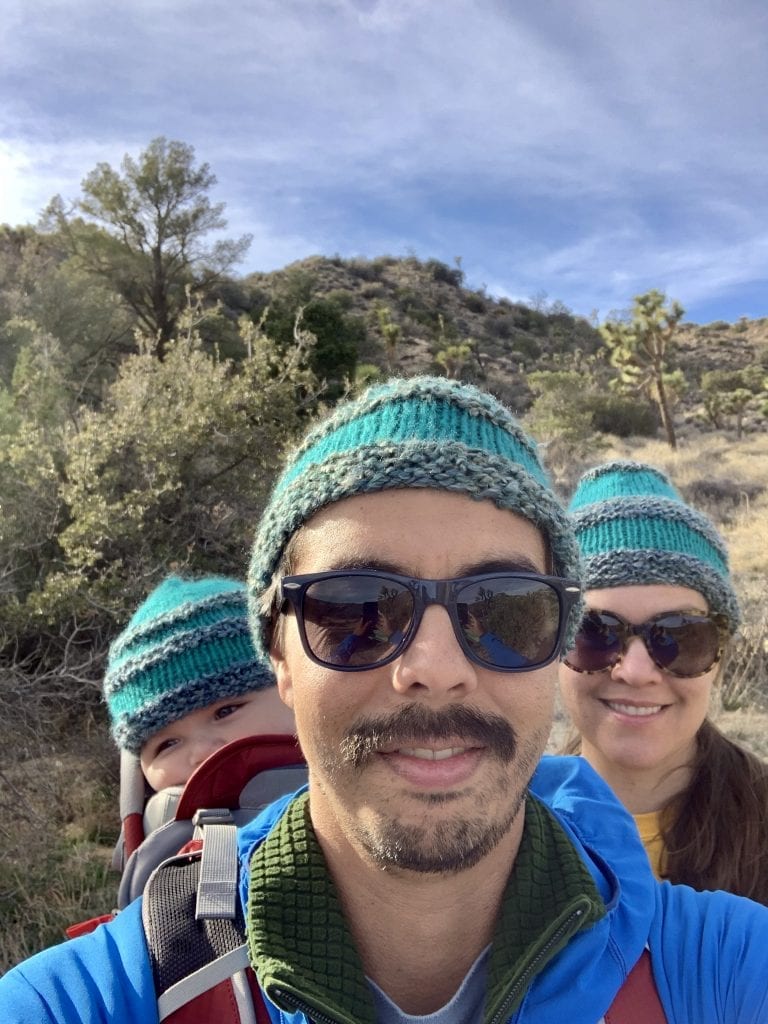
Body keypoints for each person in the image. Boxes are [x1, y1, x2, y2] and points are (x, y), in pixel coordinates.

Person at [2, 378, 768, 1023]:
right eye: (354, 611)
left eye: (502, 611)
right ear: (278, 656)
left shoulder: (721, 971)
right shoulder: (88, 999)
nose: (436, 668)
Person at [558, 459, 768, 901]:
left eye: (680, 637)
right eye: (595, 633)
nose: (636, 672)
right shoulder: (501, 828)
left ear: (720, 653)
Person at [105, 574, 296, 792]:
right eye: (167, 745)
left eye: (226, 712)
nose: (203, 753)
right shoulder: (166, 826)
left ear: (290, 683)